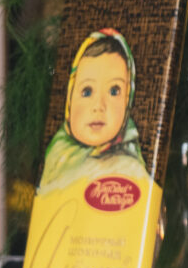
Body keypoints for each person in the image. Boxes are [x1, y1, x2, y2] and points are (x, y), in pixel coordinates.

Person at [38, 28, 151, 196]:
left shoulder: (130, 172)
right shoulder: (56, 157)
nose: (99, 106)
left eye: (114, 91)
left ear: (128, 99)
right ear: (69, 98)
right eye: (87, 92)